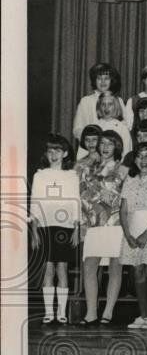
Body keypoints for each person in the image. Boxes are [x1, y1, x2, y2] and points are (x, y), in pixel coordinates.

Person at [76, 130, 129, 324]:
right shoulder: (88, 168)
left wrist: (113, 199)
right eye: (103, 143)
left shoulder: (124, 170)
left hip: (115, 224)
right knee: (90, 266)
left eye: (110, 144)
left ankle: (108, 312)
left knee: (115, 267)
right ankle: (91, 312)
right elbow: (82, 195)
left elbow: (127, 200)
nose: (105, 147)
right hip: (94, 223)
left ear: (117, 147)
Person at [30, 135, 79, 325]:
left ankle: (61, 312)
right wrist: (34, 231)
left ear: (65, 153)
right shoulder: (39, 175)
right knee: (48, 269)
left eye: (57, 150)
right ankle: (49, 312)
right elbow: (35, 204)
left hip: (65, 227)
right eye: (50, 151)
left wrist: (76, 229)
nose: (53, 154)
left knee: (62, 268)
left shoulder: (71, 176)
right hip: (44, 226)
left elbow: (76, 202)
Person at [119, 142, 147, 329]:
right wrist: (128, 234)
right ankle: (142, 314)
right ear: (134, 159)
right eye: (139, 156)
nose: (143, 160)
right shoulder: (129, 180)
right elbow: (123, 211)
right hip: (133, 230)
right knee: (137, 271)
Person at [73, 62, 126, 140]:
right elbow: (77, 129)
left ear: (111, 81)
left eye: (106, 78)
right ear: (94, 80)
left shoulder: (118, 100)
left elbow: (125, 124)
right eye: (99, 78)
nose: (103, 82)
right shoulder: (86, 101)